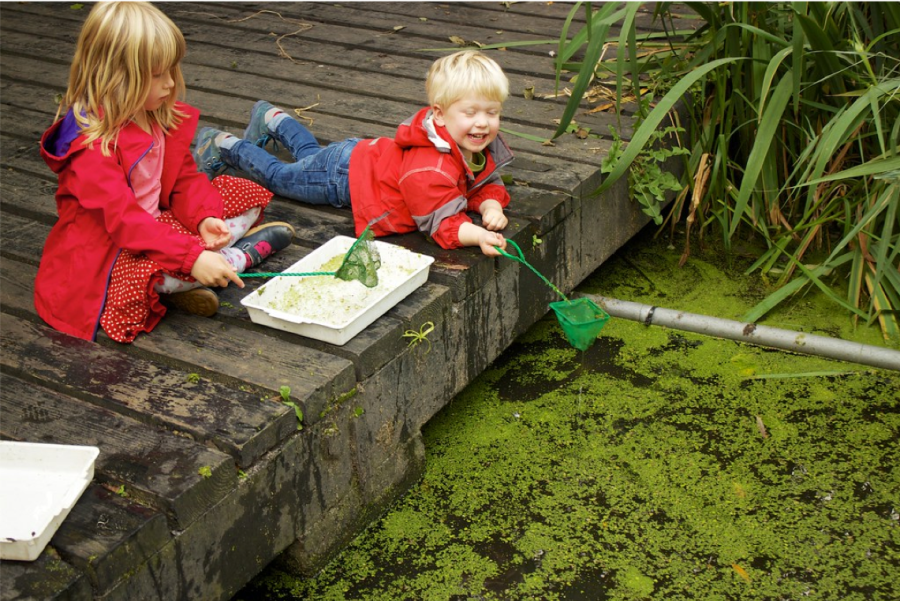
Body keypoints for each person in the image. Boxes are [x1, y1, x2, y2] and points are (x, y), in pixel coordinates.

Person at [36, 0, 295, 343]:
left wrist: (203, 218)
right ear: (115, 78)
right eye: (157, 75)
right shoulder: (91, 148)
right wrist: (192, 257)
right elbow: (126, 223)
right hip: (111, 251)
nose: (171, 84)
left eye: (172, 70)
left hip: (157, 226)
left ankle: (204, 267)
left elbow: (184, 179)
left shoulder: (154, 113)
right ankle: (234, 259)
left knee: (241, 193)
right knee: (149, 273)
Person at [194, 50, 513, 257]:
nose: (483, 123)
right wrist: (478, 235)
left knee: (310, 157)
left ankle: (273, 119)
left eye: (492, 112)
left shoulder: (473, 144)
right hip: (344, 179)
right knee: (279, 177)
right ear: (440, 115)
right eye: (471, 112)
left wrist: (489, 205)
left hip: (356, 160)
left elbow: (483, 181)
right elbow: (440, 221)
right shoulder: (430, 169)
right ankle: (225, 145)